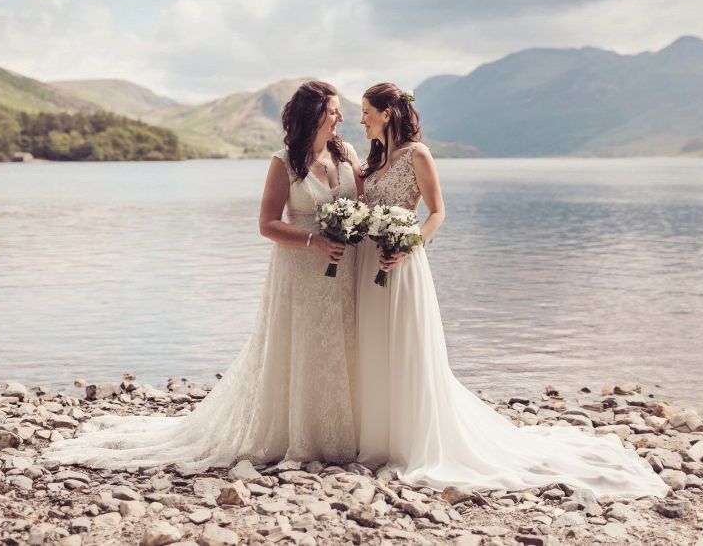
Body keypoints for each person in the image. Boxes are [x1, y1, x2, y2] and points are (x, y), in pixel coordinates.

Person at [354, 82, 669, 498]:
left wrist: (409, 243)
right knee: (375, 344)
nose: (361, 120)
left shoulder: (418, 155)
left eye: (365, 112)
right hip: (369, 267)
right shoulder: (374, 161)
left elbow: (437, 212)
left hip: (404, 265)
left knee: (407, 347)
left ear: (388, 113)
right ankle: (377, 434)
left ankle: (410, 439)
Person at [41, 80, 365, 472]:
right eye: (333, 111)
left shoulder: (346, 154)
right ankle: (298, 433)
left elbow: (363, 201)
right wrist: (314, 241)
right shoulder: (284, 163)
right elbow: (266, 224)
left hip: (343, 267)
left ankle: (341, 431)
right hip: (300, 267)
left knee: (338, 343)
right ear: (314, 116)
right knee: (299, 344)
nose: (340, 118)